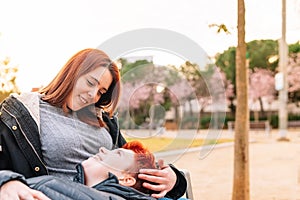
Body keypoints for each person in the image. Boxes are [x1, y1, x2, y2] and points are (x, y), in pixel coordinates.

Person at [0, 48, 186, 200]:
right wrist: (7, 181)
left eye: (101, 91)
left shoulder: (104, 121)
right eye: (90, 83)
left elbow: (135, 162)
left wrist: (175, 180)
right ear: (72, 72)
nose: (93, 95)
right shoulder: (22, 113)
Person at [1, 141, 158, 200]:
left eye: (117, 153)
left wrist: (6, 181)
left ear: (126, 179)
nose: (102, 148)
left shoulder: (48, 186)